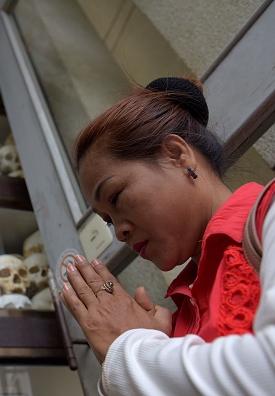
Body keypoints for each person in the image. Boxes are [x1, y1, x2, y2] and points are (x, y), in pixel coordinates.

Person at [60, 77, 275, 395]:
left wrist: (127, 350)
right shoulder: (178, 318)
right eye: (109, 221)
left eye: (117, 197)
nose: (120, 232)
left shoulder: (269, 217)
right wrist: (154, 347)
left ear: (178, 155)